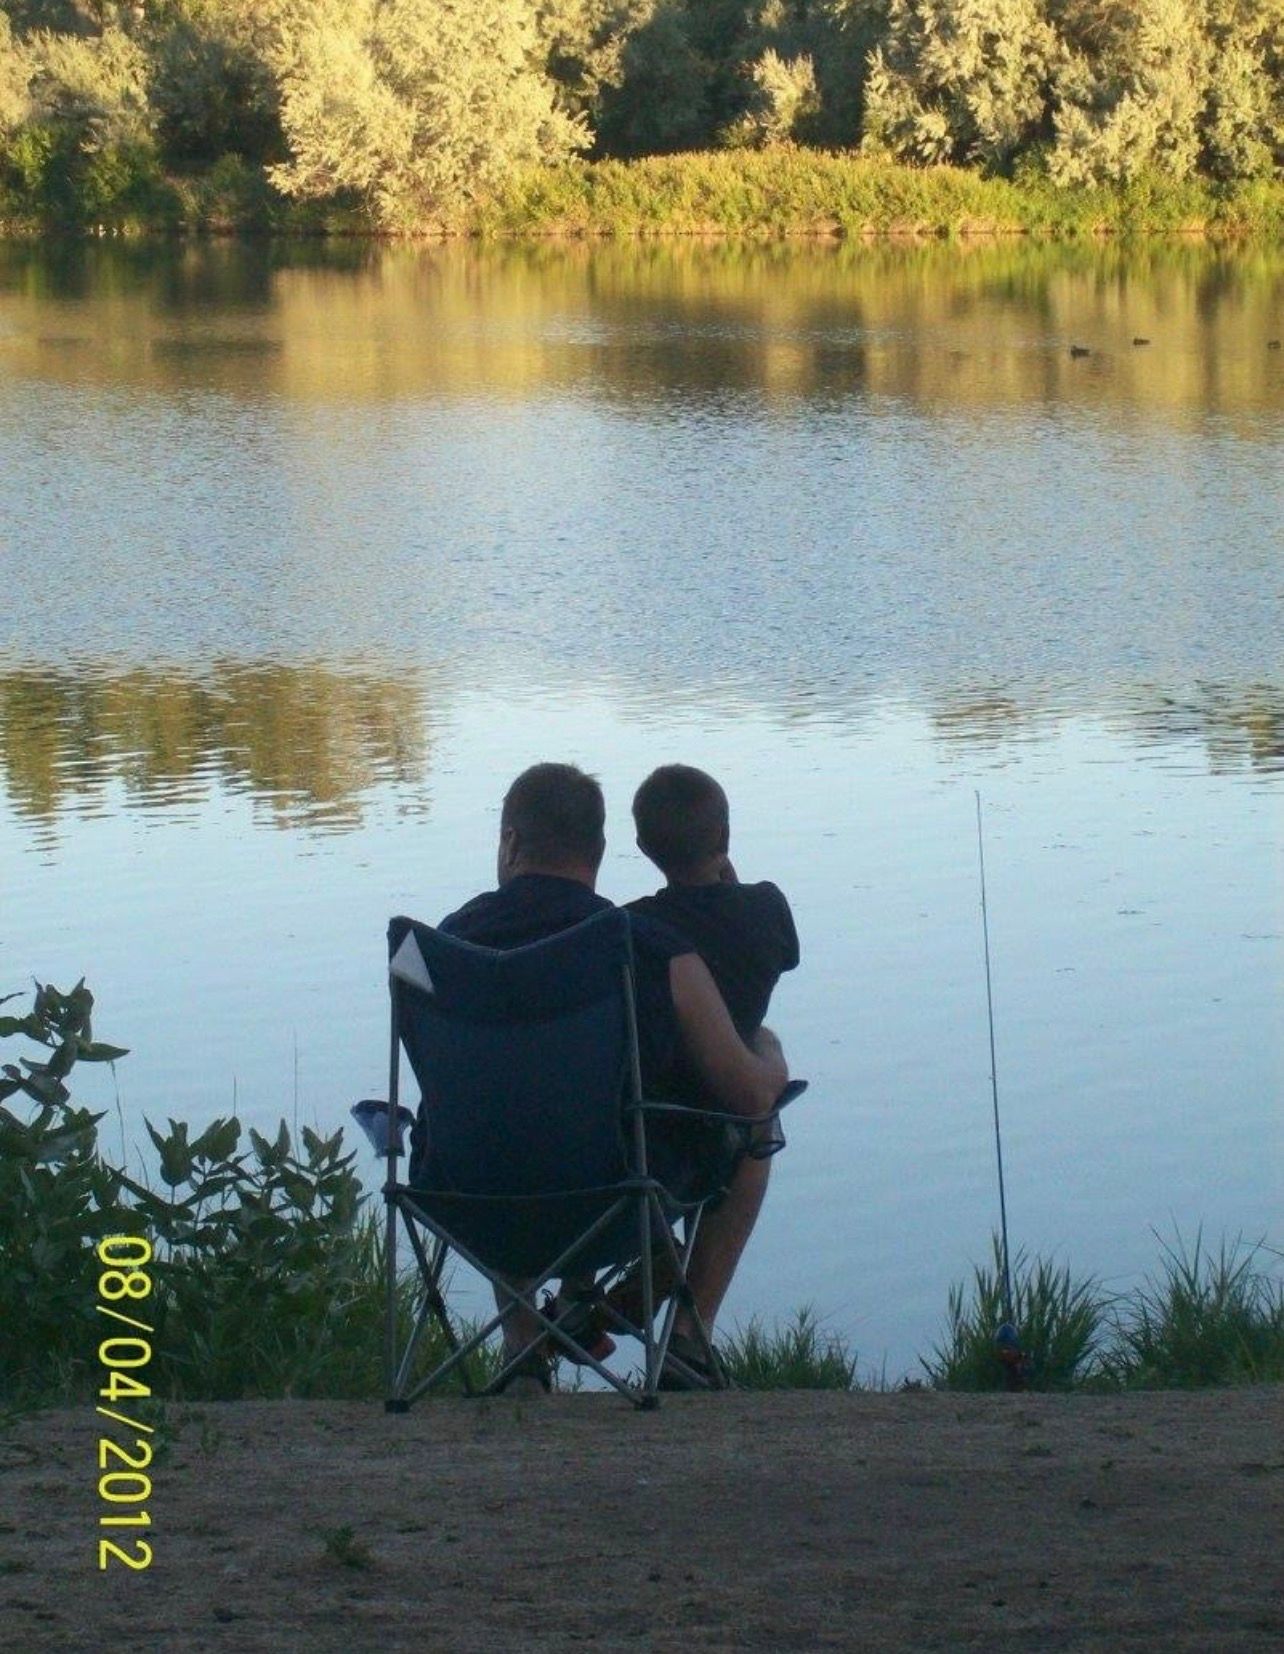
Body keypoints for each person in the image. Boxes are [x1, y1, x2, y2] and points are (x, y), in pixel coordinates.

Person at [437, 761, 791, 1391]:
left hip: (468, 1197)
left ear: (511, 843)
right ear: (599, 852)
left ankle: (522, 1350)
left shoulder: (442, 948)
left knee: (502, 1117)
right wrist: (768, 1051)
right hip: (614, 1203)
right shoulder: (649, 949)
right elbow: (751, 1095)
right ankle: (687, 1342)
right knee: (748, 1124)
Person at [626, 764, 799, 1046]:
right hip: (746, 1057)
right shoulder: (768, 904)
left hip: (665, 1080)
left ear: (643, 847)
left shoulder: (632, 925)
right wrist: (733, 887)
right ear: (725, 835)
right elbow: (786, 959)